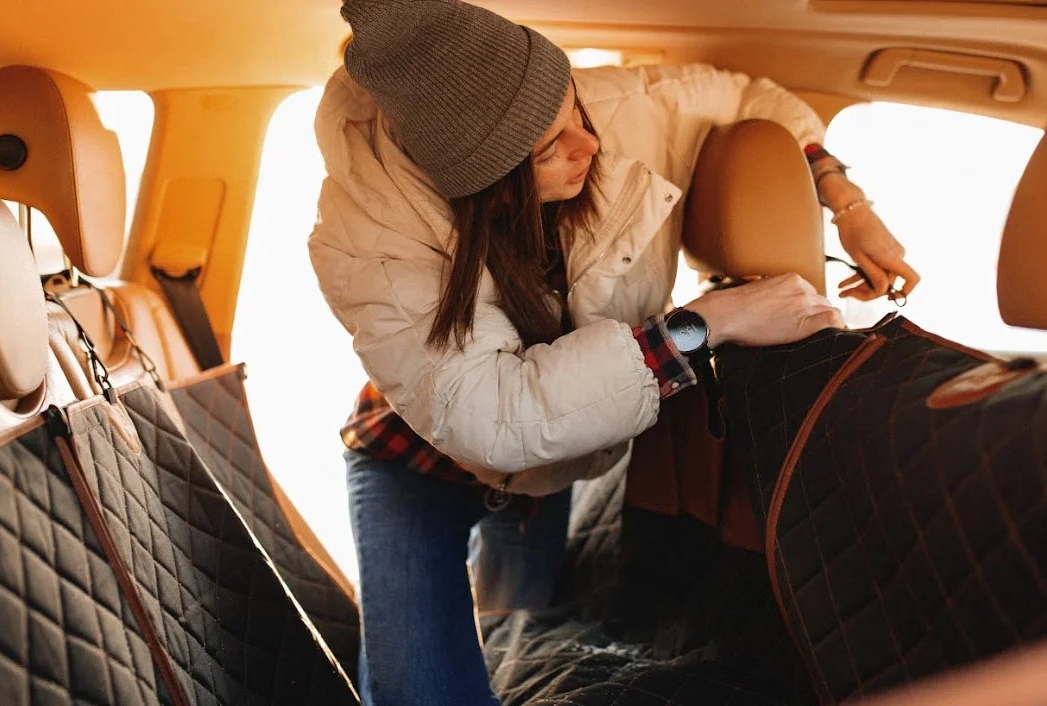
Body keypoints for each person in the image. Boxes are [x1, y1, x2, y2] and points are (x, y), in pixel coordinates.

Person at [308, 1, 920, 703]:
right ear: (481, 182)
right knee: (426, 694)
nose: (586, 145)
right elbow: (491, 415)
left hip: (549, 468)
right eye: (547, 150)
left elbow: (760, 99)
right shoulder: (365, 240)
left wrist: (846, 202)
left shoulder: (621, 110)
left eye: (575, 110)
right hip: (414, 464)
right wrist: (702, 323)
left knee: (517, 649)